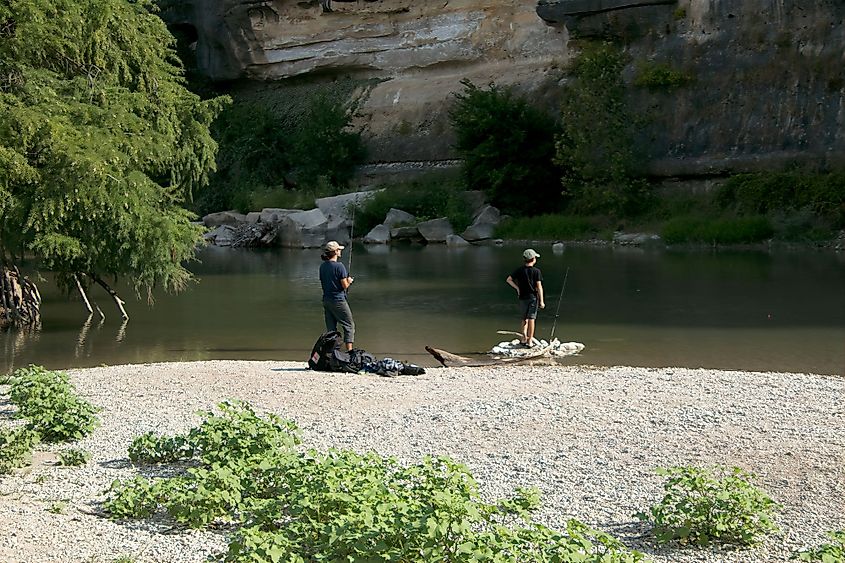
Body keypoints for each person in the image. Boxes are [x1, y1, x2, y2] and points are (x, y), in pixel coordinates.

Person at [319, 240, 355, 351]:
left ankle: (331, 351)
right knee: (349, 326)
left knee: (331, 329)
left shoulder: (322, 266)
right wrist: (349, 281)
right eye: (339, 250)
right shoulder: (339, 266)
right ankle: (350, 352)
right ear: (335, 252)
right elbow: (344, 285)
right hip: (338, 300)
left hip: (326, 300)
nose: (340, 251)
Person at [506, 248, 545, 346]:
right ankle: (530, 340)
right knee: (531, 319)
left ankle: (523, 338)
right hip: (533, 298)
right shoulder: (536, 271)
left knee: (524, 318)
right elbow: (539, 287)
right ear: (533, 259)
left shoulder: (519, 270)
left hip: (522, 297)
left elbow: (509, 280)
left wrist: (517, 288)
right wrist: (541, 301)